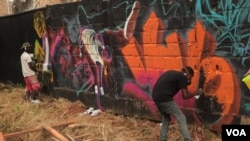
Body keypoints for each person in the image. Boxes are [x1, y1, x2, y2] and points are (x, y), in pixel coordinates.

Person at [152, 66, 203, 141]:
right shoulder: (182, 77)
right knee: (181, 118)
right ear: (187, 75)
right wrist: (196, 92)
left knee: (166, 118)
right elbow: (185, 96)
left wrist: (188, 86)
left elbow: (186, 92)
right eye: (191, 77)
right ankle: (188, 139)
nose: (190, 79)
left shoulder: (176, 75)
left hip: (156, 97)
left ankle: (163, 139)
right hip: (165, 98)